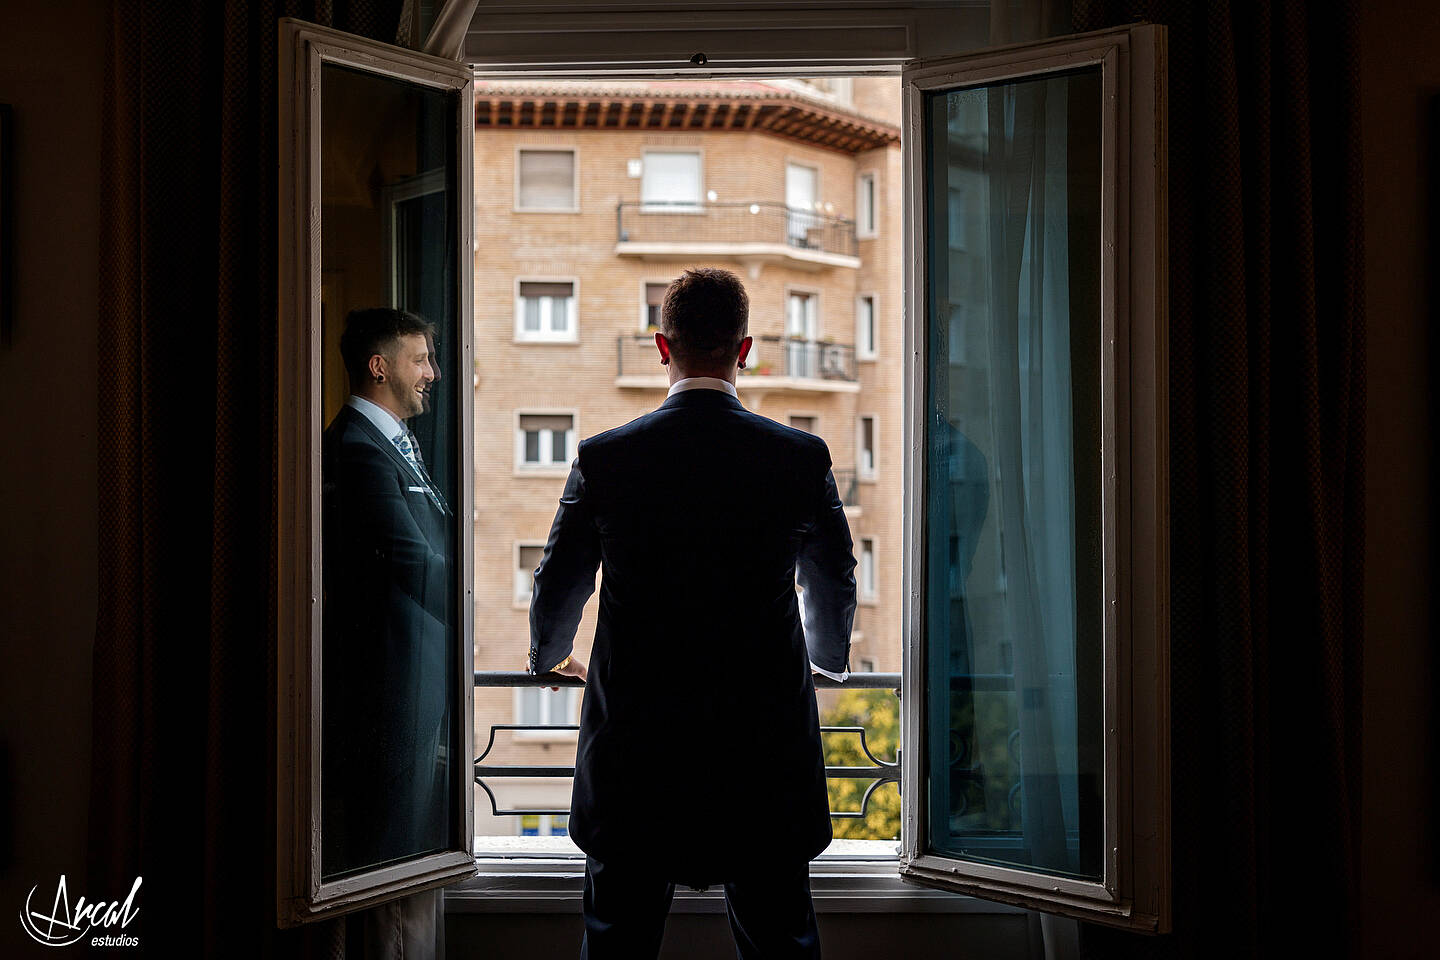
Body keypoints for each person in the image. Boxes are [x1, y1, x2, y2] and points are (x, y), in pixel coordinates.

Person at [528, 268, 857, 959]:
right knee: (782, 945)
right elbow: (832, 578)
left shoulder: (605, 458)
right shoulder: (799, 458)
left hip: (636, 754)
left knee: (616, 946)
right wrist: (827, 662)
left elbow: (559, 580)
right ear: (743, 350)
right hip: (762, 753)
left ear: (662, 346)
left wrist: (549, 656)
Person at [321, 307, 452, 882]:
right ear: (380, 367)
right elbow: (414, 564)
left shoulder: (387, 443)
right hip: (388, 697)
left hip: (413, 690)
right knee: (387, 863)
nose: (433, 373)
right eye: (420, 360)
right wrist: (520, 632)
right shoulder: (357, 449)